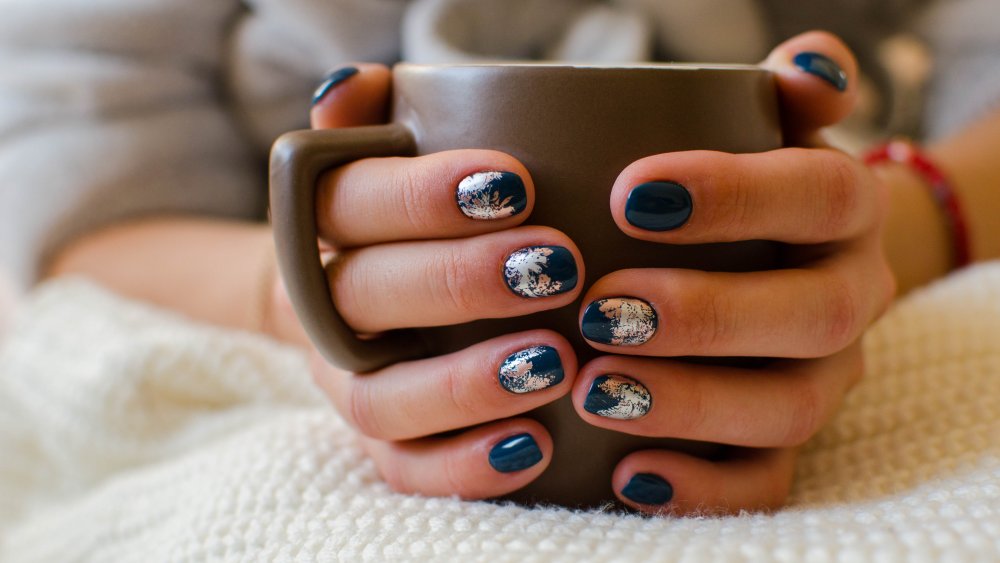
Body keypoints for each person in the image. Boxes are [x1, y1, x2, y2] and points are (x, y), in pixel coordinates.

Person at [2, 0, 998, 516]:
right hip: (283, 330)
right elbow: (81, 196)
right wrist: (308, 291)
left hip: (848, 305)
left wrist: (895, 219)